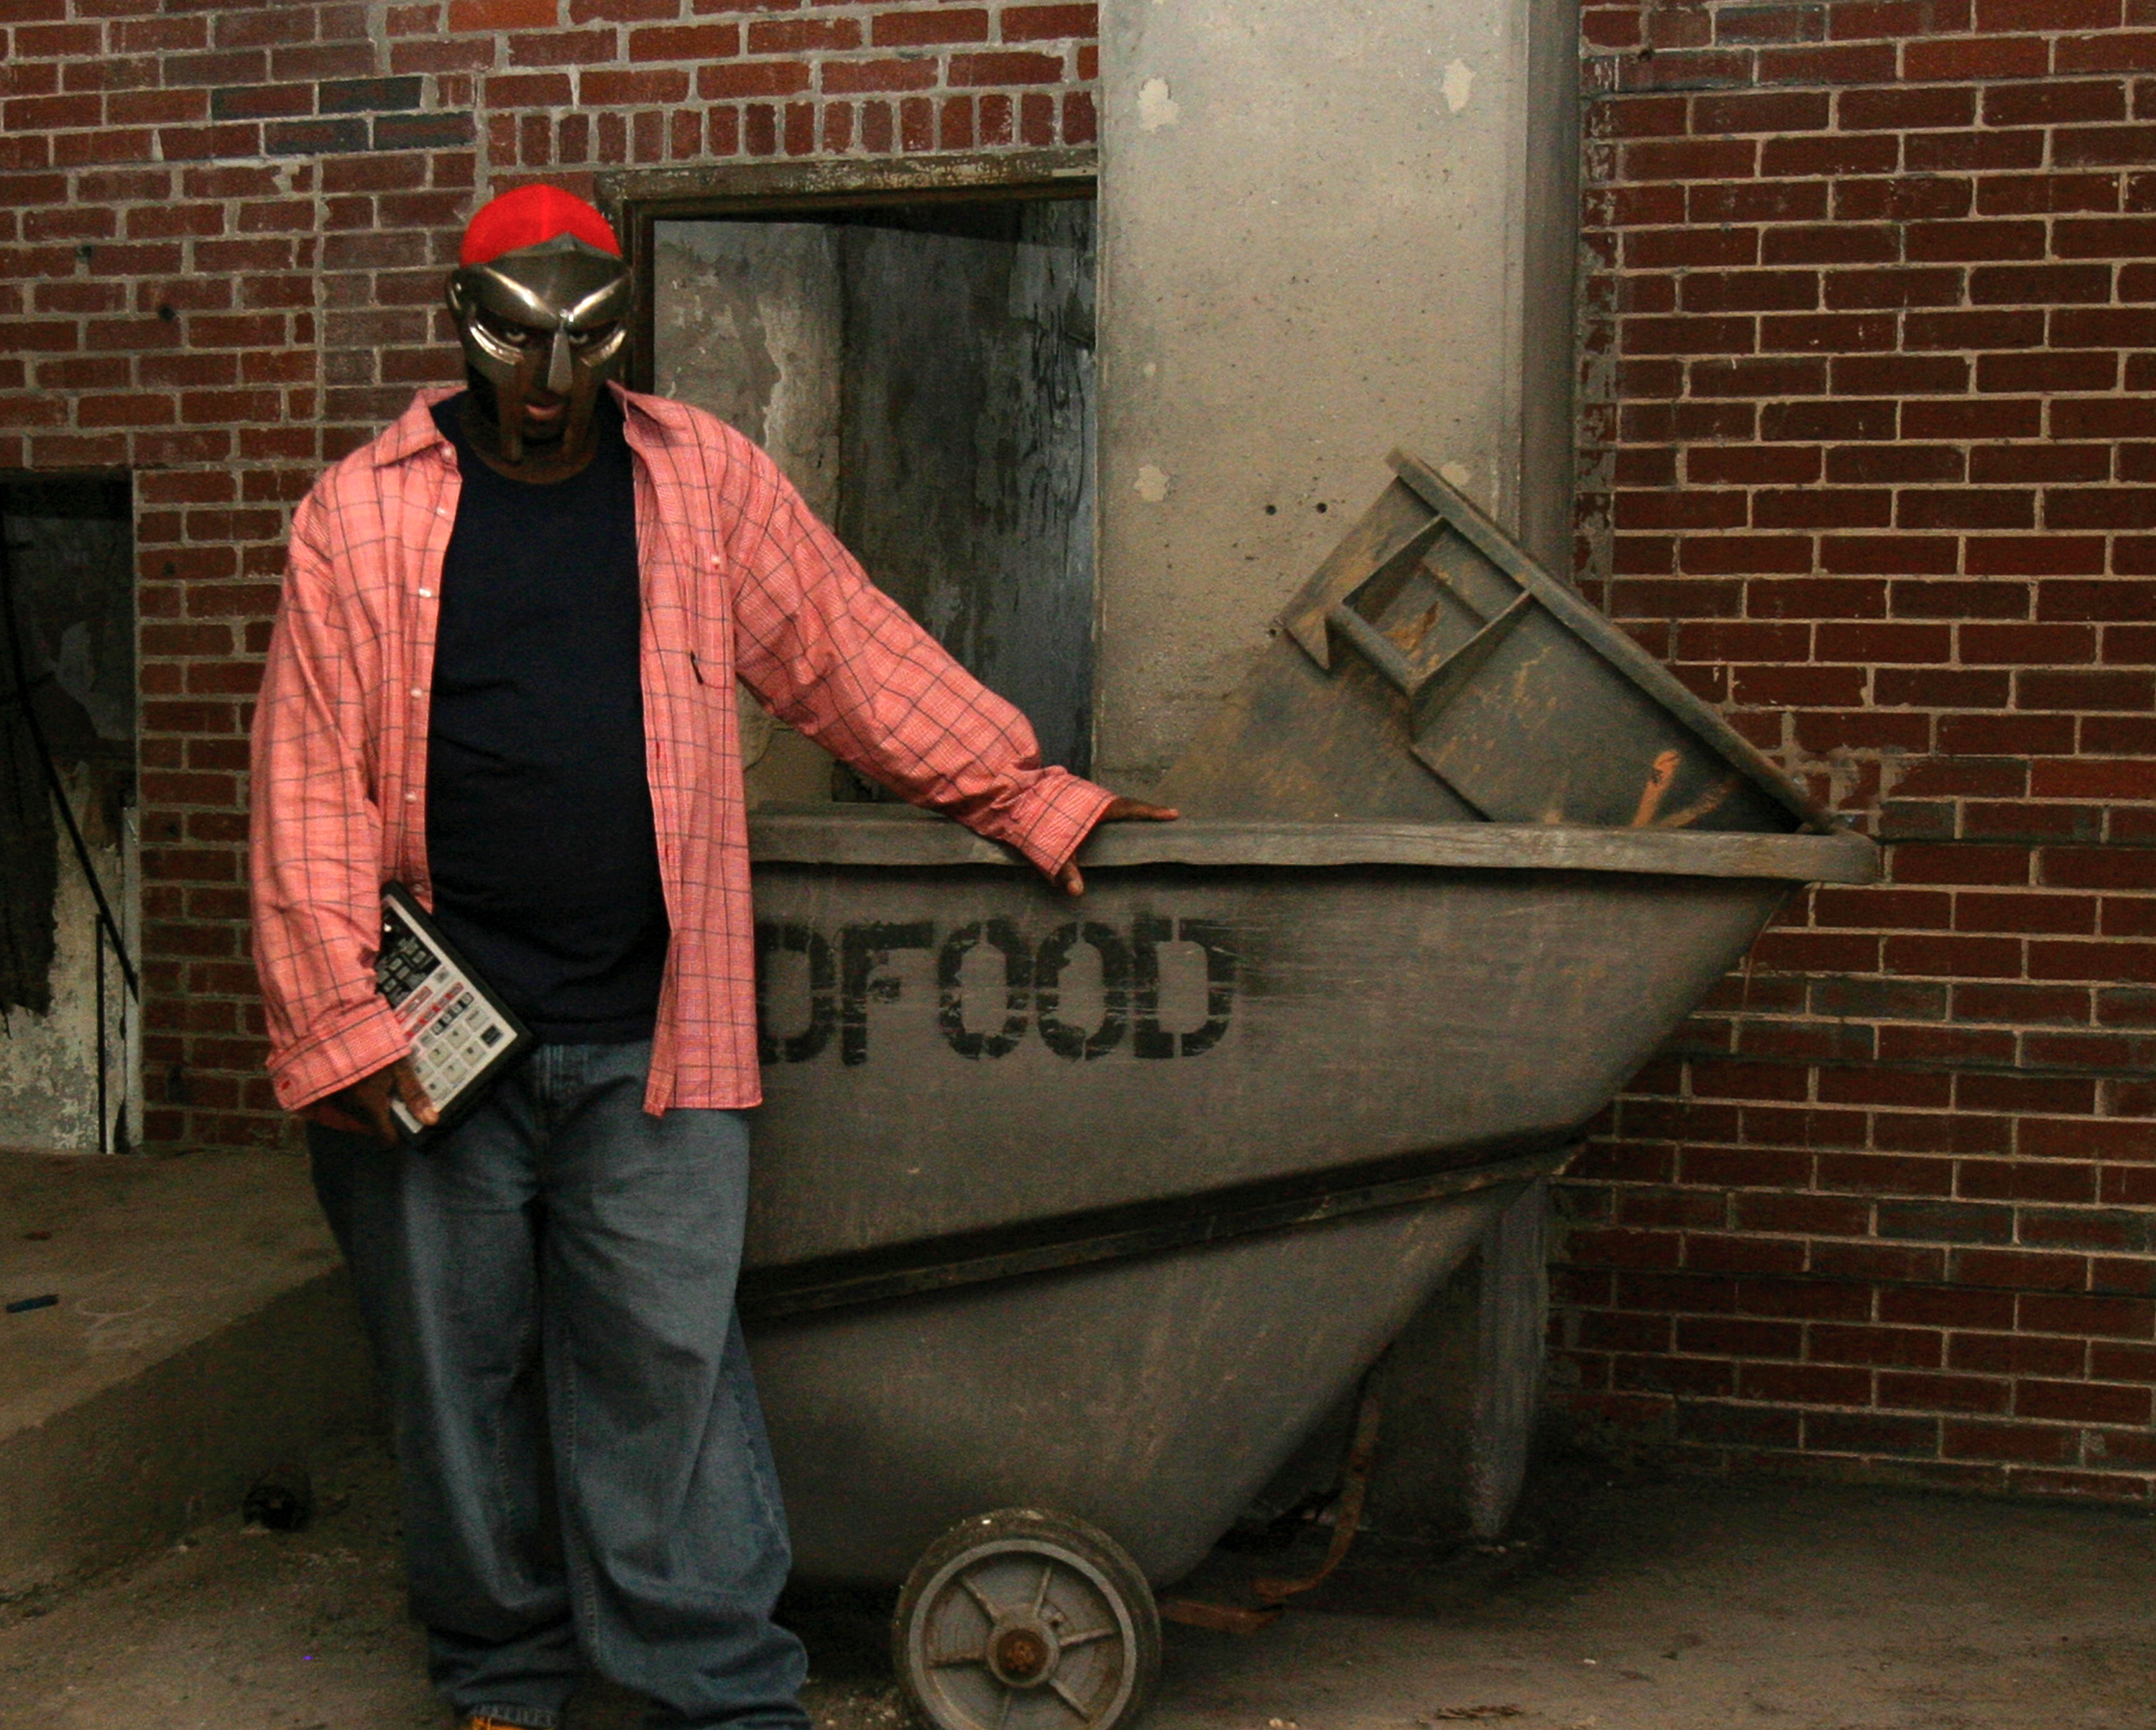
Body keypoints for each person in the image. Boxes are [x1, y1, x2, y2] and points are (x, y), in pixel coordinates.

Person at [248, 183, 1172, 1730]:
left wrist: (1019, 787)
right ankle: (499, 1674)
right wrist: (340, 1022)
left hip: (656, 1031)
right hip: (433, 1035)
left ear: (622, 330)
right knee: (455, 1381)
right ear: (466, 328)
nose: (550, 384)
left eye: (583, 343)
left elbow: (845, 649)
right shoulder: (363, 510)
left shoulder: (702, 482)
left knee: (664, 1373)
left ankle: (718, 1691)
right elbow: (306, 782)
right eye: (519, 345)